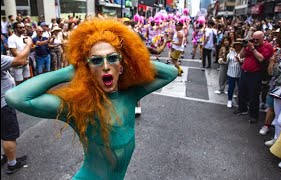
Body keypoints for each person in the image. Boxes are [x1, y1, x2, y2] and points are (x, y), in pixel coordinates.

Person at [5, 18, 178, 179]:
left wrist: (132, 59)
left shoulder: (131, 94)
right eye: (96, 61)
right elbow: (15, 97)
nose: (105, 66)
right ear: (87, 69)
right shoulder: (78, 106)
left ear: (121, 66)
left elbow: (170, 73)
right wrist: (68, 72)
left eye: (112, 58)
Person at [1, 36, 33, 174]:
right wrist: (29, 44)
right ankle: (12, 164)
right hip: (3, 103)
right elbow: (20, 60)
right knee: (9, 135)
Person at [234, 31, 273, 123]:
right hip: (245, 71)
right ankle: (242, 108)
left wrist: (253, 48)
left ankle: (254, 115)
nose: (255, 41)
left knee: (253, 95)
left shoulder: (267, 46)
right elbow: (241, 55)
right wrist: (245, 45)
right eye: (253, 39)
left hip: (256, 74)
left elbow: (261, 58)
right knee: (242, 91)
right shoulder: (251, 44)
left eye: (257, 39)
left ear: (263, 38)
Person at [225, 39, 243, 108]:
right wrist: (224, 58)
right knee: (231, 87)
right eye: (236, 45)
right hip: (231, 72)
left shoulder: (243, 53)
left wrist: (239, 61)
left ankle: (240, 102)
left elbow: (244, 63)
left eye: (239, 45)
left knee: (240, 88)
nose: (237, 46)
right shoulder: (231, 52)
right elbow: (226, 61)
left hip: (239, 73)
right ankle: (229, 100)